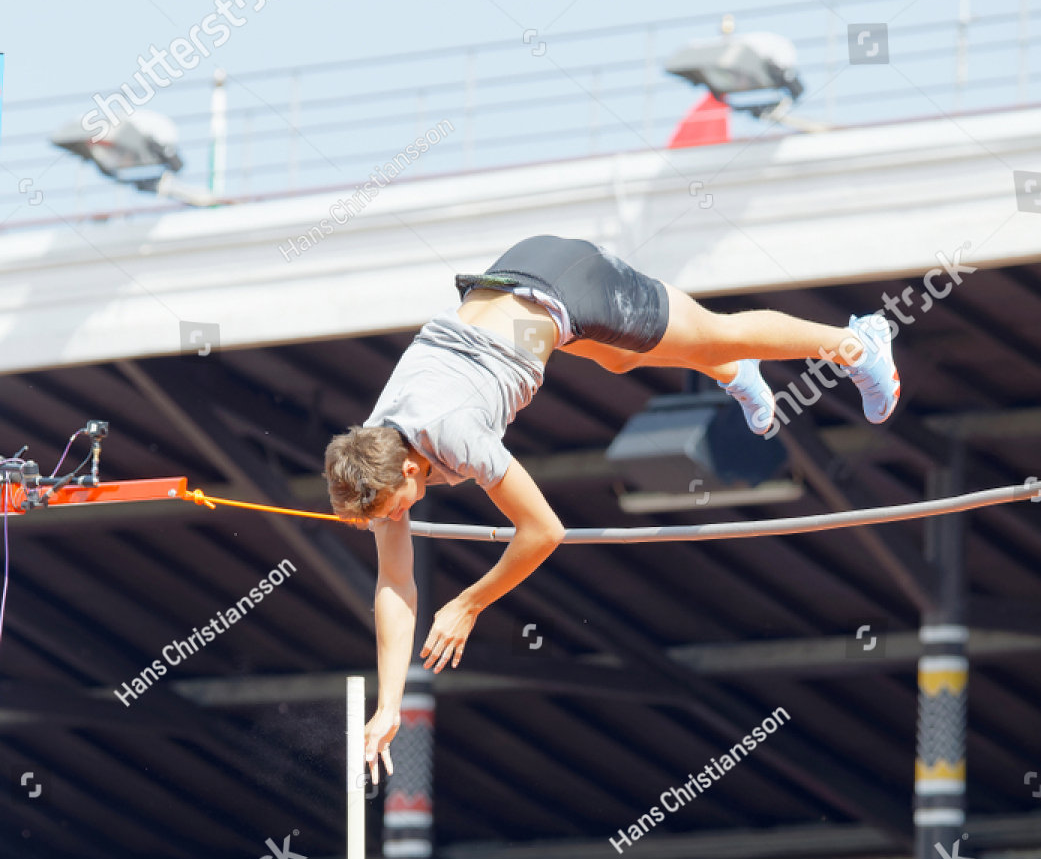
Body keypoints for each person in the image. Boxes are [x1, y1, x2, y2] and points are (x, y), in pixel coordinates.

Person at [330, 235, 898, 777]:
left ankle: (856, 343)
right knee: (621, 359)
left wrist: (469, 604)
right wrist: (388, 706)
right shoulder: (377, 445)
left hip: (567, 282)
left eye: (385, 512)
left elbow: (543, 532)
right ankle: (732, 370)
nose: (387, 522)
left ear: (408, 469)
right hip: (523, 298)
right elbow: (394, 585)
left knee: (716, 334)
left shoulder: (454, 435)